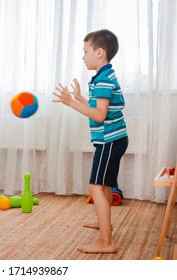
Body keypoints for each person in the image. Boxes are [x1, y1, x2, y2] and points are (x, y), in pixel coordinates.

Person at [53, 29, 128, 253]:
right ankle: (106, 224)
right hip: (113, 139)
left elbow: (99, 115)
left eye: (85, 52)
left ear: (99, 53)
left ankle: (107, 242)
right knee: (104, 185)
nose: (82, 57)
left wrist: (70, 103)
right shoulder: (103, 77)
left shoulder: (104, 80)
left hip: (109, 140)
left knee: (95, 186)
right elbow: (98, 107)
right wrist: (80, 98)